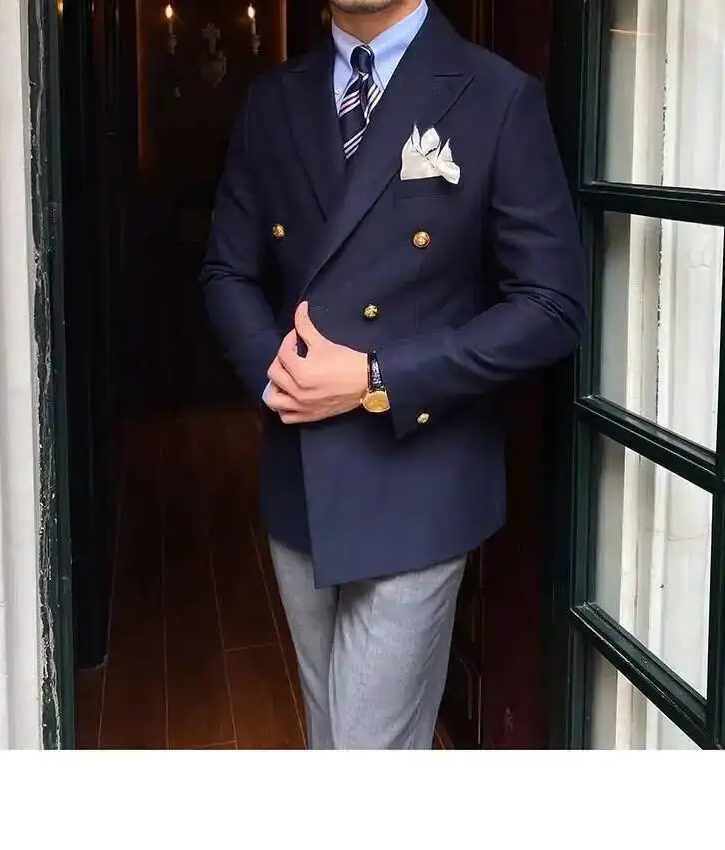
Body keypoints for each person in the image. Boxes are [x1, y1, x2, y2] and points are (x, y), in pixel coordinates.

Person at [200, 0, 585, 749]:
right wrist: (280, 379)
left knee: (367, 749)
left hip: (420, 478)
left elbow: (550, 306)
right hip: (300, 472)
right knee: (330, 732)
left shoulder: (497, 95)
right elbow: (227, 271)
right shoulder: (272, 100)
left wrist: (379, 375)